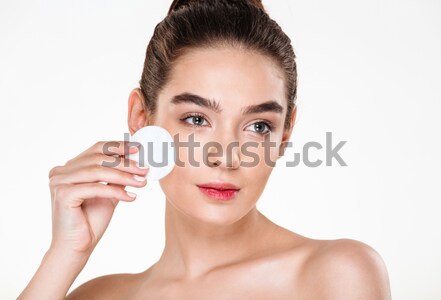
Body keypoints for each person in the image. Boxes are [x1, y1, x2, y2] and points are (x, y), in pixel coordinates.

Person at [18, 0, 391, 299]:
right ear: (141, 117)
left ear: (285, 134)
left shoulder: (338, 275)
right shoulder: (97, 296)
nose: (225, 157)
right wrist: (65, 255)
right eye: (197, 119)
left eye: (258, 126)